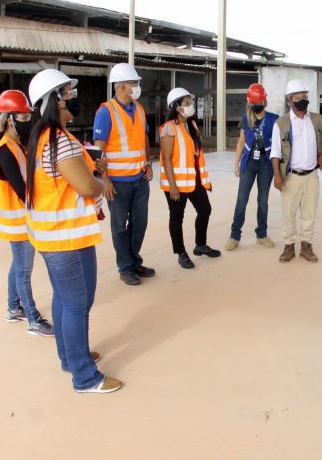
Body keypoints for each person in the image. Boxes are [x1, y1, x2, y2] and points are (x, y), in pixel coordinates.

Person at [26, 69, 122, 394]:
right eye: (67, 93)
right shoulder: (60, 141)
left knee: (65, 300)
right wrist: (99, 180)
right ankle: (85, 376)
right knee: (78, 303)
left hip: (52, 235)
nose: (72, 99)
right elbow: (85, 186)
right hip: (65, 237)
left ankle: (71, 357)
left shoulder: (42, 139)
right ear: (54, 100)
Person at [0, 89, 54, 337]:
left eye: (29, 118)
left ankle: (13, 308)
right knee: (23, 270)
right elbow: (21, 189)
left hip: (21, 218)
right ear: (8, 119)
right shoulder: (5, 150)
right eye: (23, 118)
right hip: (17, 221)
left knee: (17, 266)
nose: (28, 122)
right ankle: (32, 318)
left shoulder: (17, 144)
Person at [93, 63, 155, 286]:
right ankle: (126, 267)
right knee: (120, 226)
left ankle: (134, 260)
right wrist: (104, 179)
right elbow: (98, 149)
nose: (137, 87)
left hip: (140, 179)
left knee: (140, 223)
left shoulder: (138, 108)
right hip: (117, 183)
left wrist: (148, 162)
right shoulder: (105, 112)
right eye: (133, 83)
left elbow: (145, 138)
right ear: (120, 86)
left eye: (137, 83)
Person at [270, 79, 322, 263]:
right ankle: (289, 246)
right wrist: (277, 176)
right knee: (288, 213)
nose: (302, 100)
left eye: (305, 97)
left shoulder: (316, 119)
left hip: (311, 175)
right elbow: (275, 152)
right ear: (290, 100)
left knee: (309, 213)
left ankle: (306, 247)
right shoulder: (281, 123)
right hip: (291, 176)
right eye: (298, 98)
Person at [159, 87, 221, 269]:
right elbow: (167, 160)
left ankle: (200, 245)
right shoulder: (168, 129)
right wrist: (173, 187)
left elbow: (196, 156)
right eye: (186, 103)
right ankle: (181, 253)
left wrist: (204, 181)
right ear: (177, 107)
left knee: (205, 210)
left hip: (193, 180)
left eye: (190, 102)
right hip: (176, 184)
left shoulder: (192, 125)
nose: (190, 106)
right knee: (177, 217)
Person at [226, 83, 278, 251]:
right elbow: (241, 141)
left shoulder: (273, 119)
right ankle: (234, 236)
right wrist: (236, 164)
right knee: (242, 200)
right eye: (254, 103)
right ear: (249, 103)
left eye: (259, 102)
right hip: (248, 162)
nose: (257, 105)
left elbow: (279, 145)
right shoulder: (245, 119)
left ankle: (261, 235)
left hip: (266, 163)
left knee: (263, 201)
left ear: (265, 101)